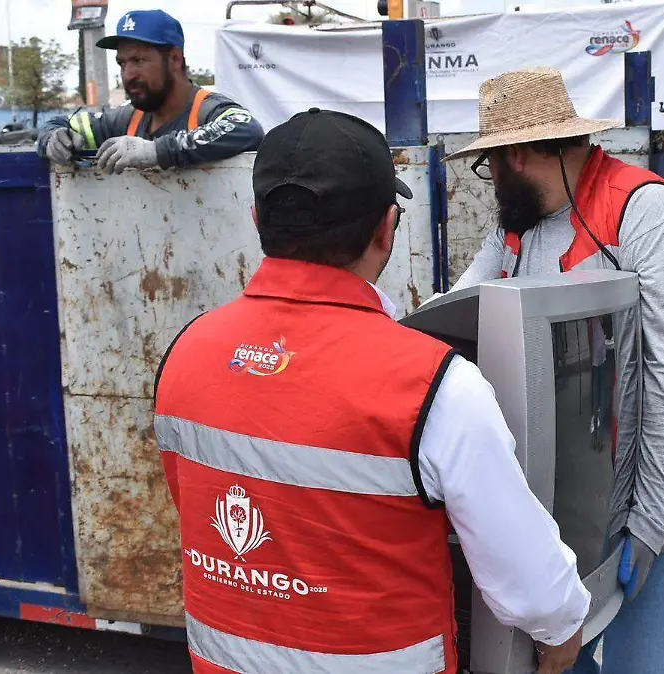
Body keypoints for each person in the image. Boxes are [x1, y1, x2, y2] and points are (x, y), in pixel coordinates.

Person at [153, 108, 589, 674]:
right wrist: (561, 630)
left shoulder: (184, 354)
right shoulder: (436, 386)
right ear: (387, 229)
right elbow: (528, 579)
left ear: (258, 220)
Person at [446, 67, 664, 674]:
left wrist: (649, 525)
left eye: (490, 166)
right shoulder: (521, 225)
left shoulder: (648, 216)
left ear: (517, 156)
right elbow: (455, 311)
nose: (492, 184)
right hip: (582, 510)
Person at [37, 9, 263, 174]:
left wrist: (157, 151)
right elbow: (59, 124)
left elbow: (246, 128)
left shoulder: (205, 109)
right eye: (122, 63)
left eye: (139, 61)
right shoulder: (127, 118)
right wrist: (52, 137)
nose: (128, 75)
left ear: (175, 59)